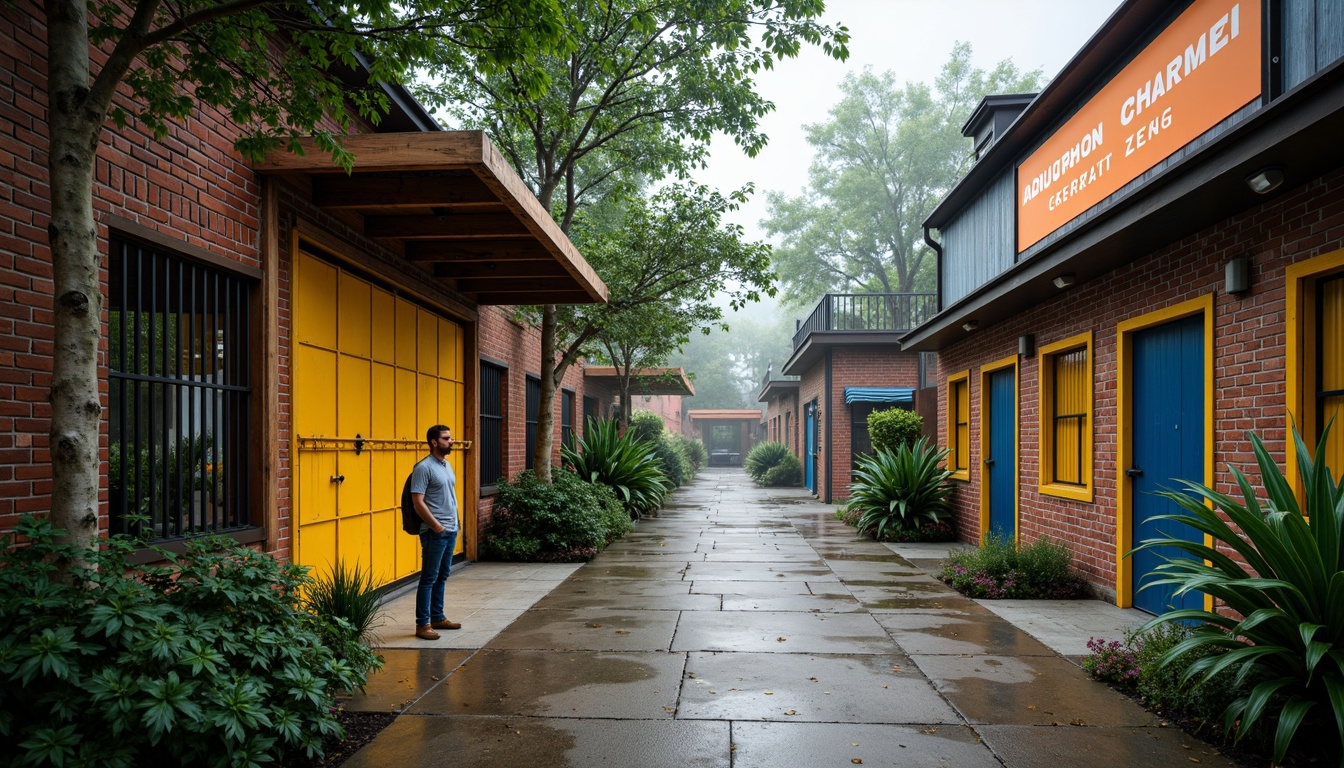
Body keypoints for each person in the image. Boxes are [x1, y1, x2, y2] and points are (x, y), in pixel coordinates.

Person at [410, 424, 461, 640]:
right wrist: (436, 526)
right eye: (446, 438)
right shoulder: (423, 467)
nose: (451, 441)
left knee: (442, 575)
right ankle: (423, 625)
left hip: (451, 529)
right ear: (434, 442)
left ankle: (437, 617)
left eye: (450, 438)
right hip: (435, 532)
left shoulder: (446, 465)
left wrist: (455, 522)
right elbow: (417, 502)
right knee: (429, 577)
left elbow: (449, 495)